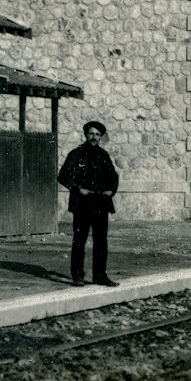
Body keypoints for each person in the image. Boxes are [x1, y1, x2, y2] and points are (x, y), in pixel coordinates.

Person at [57, 120, 119, 287]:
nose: (94, 137)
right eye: (91, 133)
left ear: (101, 137)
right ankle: (78, 276)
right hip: (82, 204)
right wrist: (78, 189)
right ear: (85, 134)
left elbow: (113, 177)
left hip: (100, 203)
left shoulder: (104, 156)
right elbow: (62, 176)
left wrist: (110, 191)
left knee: (101, 241)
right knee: (79, 240)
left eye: (97, 135)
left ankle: (100, 276)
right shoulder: (76, 154)